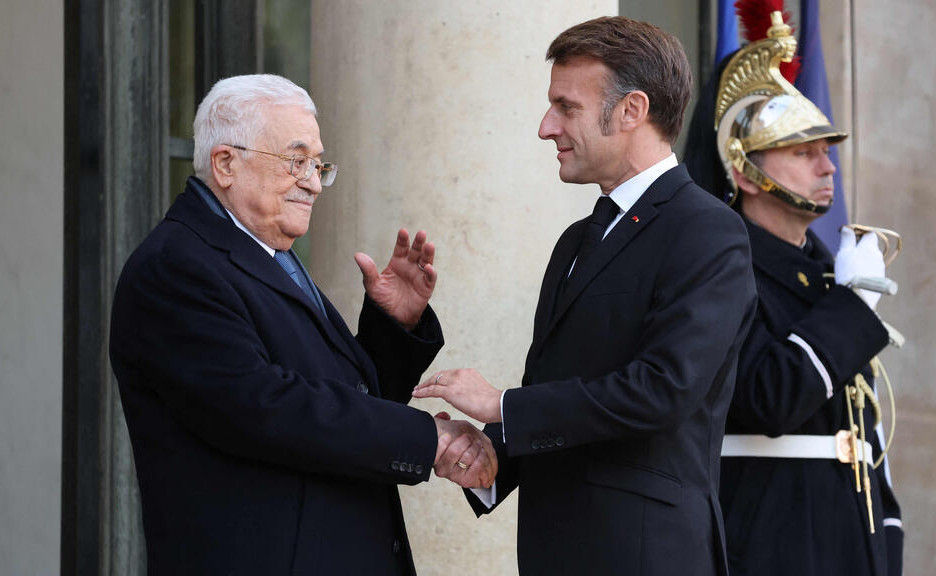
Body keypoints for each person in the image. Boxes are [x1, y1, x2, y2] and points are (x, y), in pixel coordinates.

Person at [108, 74, 496, 576]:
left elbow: (342, 396)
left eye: (318, 164)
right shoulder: (176, 267)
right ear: (225, 164)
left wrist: (393, 327)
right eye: (296, 162)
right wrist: (429, 439)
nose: (313, 182)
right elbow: (264, 409)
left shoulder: (266, 252)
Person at [412, 17, 757, 575]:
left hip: (647, 556)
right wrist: (493, 458)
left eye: (566, 107)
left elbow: (664, 389)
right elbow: (559, 389)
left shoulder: (707, 230)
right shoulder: (576, 240)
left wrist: (504, 407)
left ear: (631, 110)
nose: (546, 127)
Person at [682, 6, 904, 575]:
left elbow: (861, 428)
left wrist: (887, 538)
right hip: (771, 538)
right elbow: (770, 397)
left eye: (825, 151)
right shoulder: (721, 269)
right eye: (803, 152)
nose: (827, 168)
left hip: (850, 540)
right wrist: (853, 305)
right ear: (744, 171)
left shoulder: (827, 273)